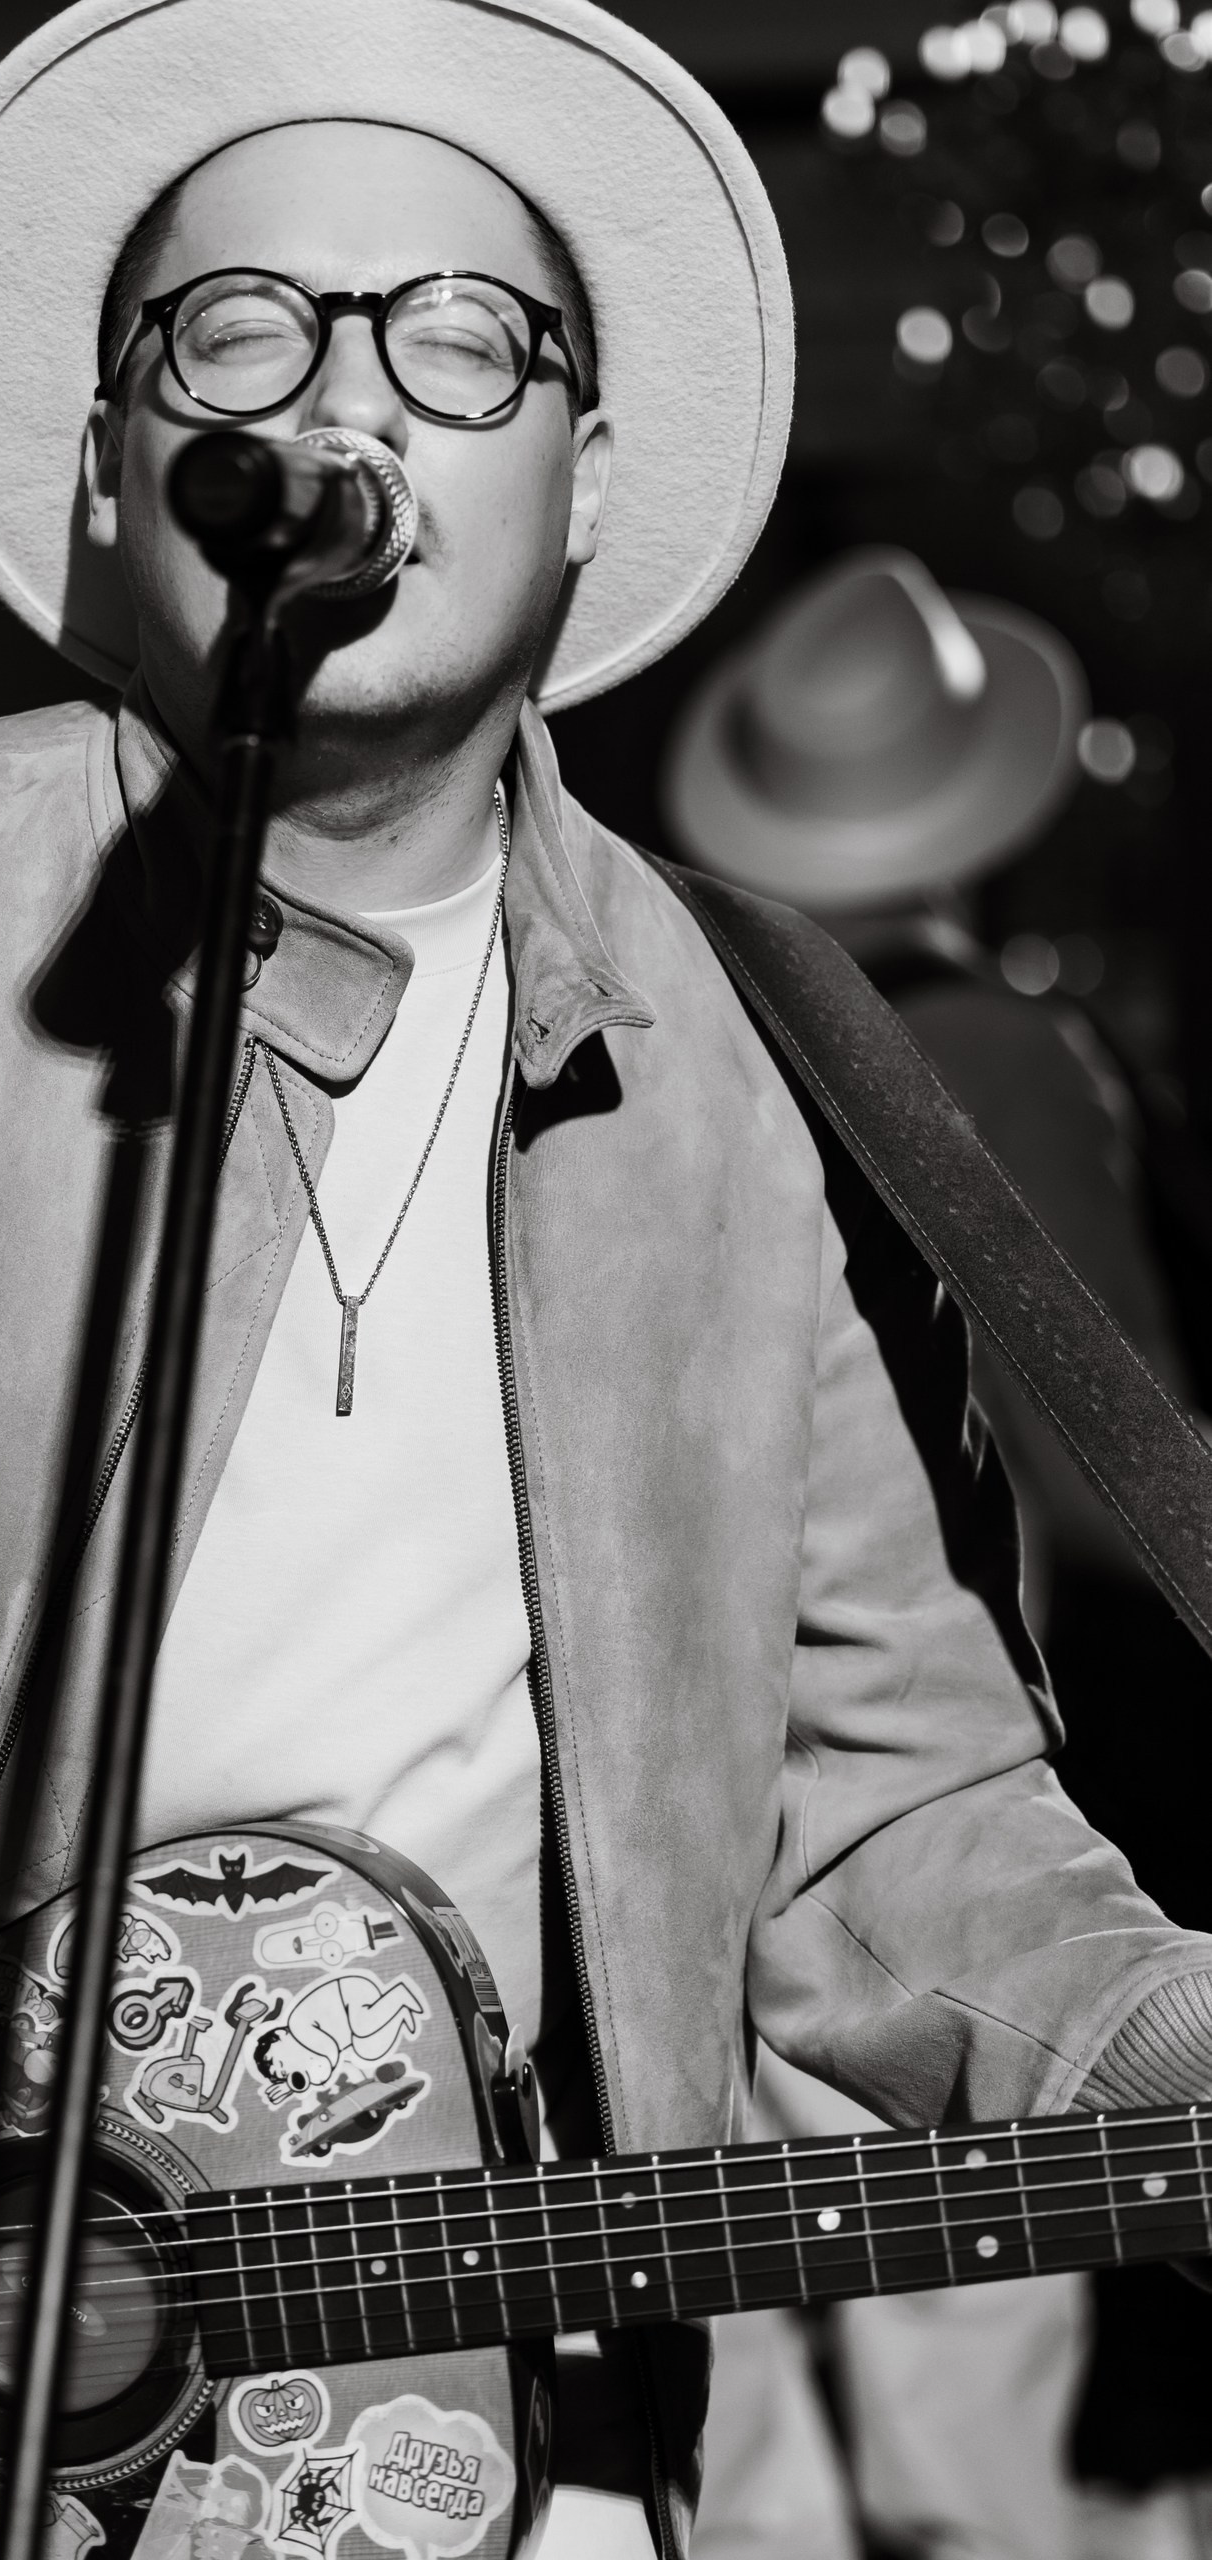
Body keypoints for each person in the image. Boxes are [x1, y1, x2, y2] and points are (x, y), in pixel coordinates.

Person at [0, 9, 1212, 2557]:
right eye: (238, 332)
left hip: (480, 2447)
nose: (342, 405)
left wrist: (1168, 2047)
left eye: (453, 338)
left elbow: (889, 1816)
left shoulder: (759, 1073)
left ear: (582, 467)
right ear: (119, 462)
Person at [664, 548, 1200, 2559]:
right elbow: (1104, 1437)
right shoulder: (989, 1046)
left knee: (762, 2372)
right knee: (978, 2350)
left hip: (728, 1751)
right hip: (958, 1746)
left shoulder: (711, 1035)